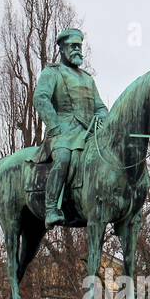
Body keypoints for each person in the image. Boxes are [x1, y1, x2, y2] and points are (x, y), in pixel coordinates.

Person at [33, 28, 108, 227]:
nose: (77, 50)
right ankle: (51, 208)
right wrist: (55, 126)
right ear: (62, 48)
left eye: (79, 46)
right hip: (63, 132)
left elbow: (100, 107)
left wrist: (102, 118)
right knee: (64, 157)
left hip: (89, 132)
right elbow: (41, 98)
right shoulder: (52, 73)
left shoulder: (88, 79)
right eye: (72, 46)